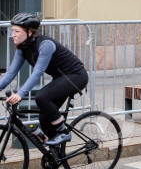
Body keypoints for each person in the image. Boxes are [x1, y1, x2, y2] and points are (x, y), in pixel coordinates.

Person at [0, 14, 88, 159]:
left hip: (76, 76)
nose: (13, 35)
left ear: (29, 32)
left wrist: (20, 94)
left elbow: (38, 72)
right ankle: (56, 158)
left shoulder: (45, 44)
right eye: (12, 31)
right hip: (61, 78)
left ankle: (64, 132)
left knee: (42, 96)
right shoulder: (22, 48)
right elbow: (10, 73)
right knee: (44, 118)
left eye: (16, 31)